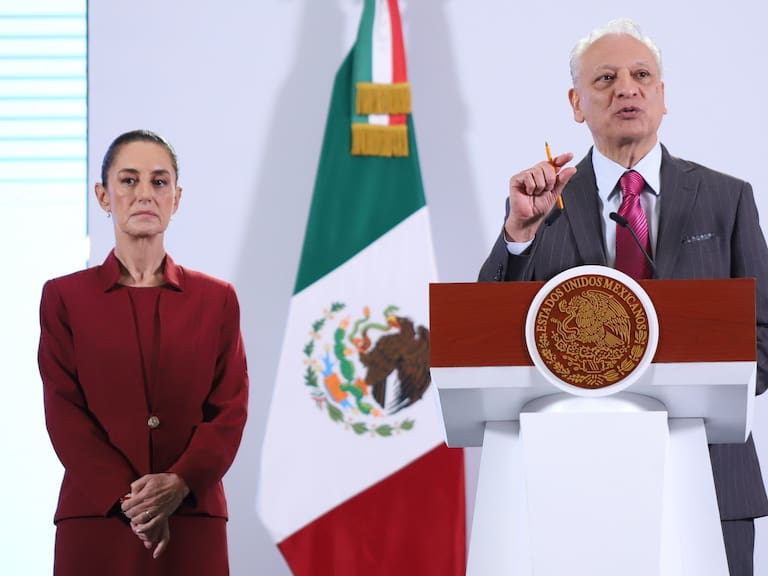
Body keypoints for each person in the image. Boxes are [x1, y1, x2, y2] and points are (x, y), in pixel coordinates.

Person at [478, 18, 768, 576]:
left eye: (641, 76)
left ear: (662, 96)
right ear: (577, 103)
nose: (626, 90)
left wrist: (703, 391)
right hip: (570, 482)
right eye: (606, 79)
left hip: (709, 475)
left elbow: (764, 335)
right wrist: (518, 234)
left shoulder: (727, 198)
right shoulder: (543, 205)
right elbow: (486, 340)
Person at [37, 129, 249, 575]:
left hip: (191, 515)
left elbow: (229, 410)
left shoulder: (217, 300)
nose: (145, 194)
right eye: (129, 180)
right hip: (98, 519)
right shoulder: (64, 298)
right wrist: (131, 501)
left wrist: (180, 482)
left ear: (176, 198)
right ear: (103, 195)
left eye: (159, 181)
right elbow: (64, 411)